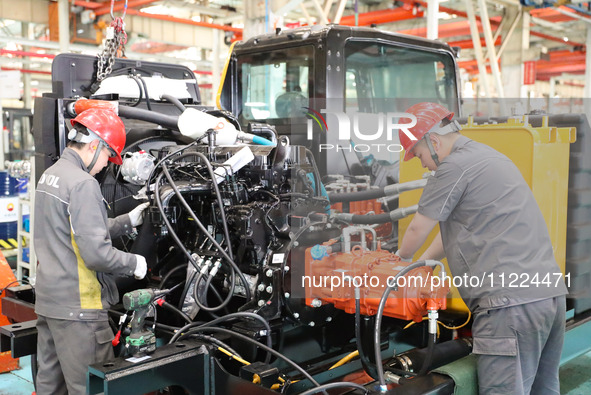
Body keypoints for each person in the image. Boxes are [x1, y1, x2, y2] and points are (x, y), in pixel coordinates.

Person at [396, 102, 567, 395]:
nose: (422, 163)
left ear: (433, 141)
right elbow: (455, 230)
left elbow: (417, 228)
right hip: (549, 298)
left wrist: (398, 265)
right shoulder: (487, 156)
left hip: (509, 307)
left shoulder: (452, 167)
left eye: (420, 154)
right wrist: (421, 265)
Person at [34, 108, 149, 395]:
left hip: (50, 303)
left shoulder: (52, 175)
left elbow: (73, 230)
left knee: (50, 386)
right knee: (91, 388)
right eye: (108, 156)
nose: (104, 166)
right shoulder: (83, 183)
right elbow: (96, 254)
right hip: (80, 311)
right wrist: (135, 263)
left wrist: (127, 221)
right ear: (95, 145)